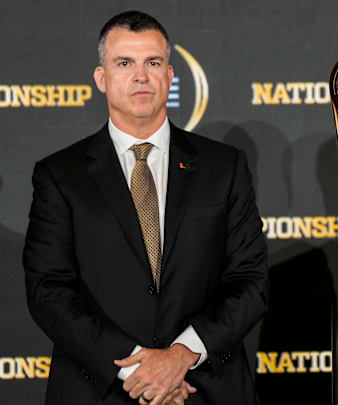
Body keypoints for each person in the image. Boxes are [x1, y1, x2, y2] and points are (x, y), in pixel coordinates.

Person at [23, 10, 267, 405]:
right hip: (101, 389)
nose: (141, 76)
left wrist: (180, 356)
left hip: (204, 389)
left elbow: (250, 282)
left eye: (153, 63)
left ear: (170, 76)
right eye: (124, 63)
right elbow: (48, 290)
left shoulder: (224, 167)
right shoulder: (59, 175)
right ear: (101, 79)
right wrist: (137, 368)